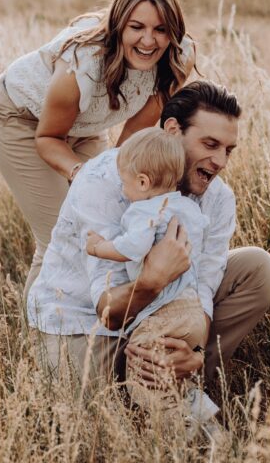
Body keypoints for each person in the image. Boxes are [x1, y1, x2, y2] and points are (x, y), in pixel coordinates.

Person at [27, 80, 270, 394]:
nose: (221, 162)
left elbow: (204, 290)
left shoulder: (218, 198)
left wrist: (197, 354)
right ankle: (145, 388)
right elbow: (107, 312)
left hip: (165, 320)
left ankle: (184, 375)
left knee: (259, 268)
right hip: (84, 323)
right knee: (92, 429)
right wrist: (151, 280)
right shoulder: (103, 180)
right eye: (210, 144)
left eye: (228, 150)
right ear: (173, 130)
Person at [0, 0, 194, 299]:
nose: (149, 41)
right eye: (137, 27)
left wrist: (113, 183)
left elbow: (132, 140)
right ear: (119, 25)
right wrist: (84, 176)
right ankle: (39, 340)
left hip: (85, 125)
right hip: (21, 119)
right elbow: (49, 138)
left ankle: (90, 326)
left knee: (105, 221)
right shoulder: (83, 63)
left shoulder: (177, 59)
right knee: (60, 233)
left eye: (161, 29)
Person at [85, 126, 215, 419]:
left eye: (124, 182)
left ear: (143, 182)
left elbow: (132, 246)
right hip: (193, 312)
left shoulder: (143, 211)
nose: (122, 189)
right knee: (170, 373)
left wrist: (99, 247)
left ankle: (181, 435)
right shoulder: (187, 207)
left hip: (164, 313)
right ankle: (200, 410)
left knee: (143, 376)